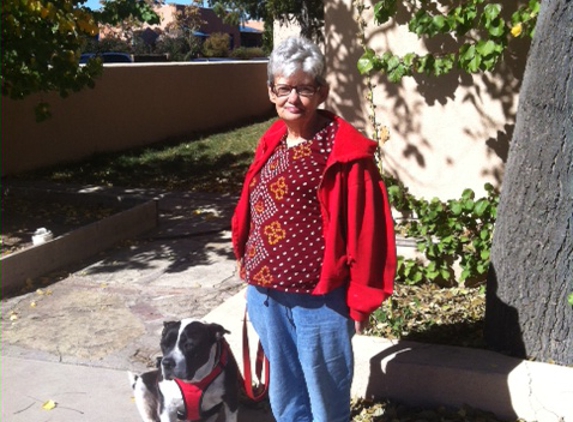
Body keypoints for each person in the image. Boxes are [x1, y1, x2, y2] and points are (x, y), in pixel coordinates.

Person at [231, 36, 396, 422]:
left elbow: (369, 231)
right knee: (285, 397)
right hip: (267, 295)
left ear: (321, 91)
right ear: (271, 91)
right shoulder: (272, 139)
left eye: (304, 88)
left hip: (319, 302)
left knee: (326, 402)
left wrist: (362, 298)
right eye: (283, 88)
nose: (293, 98)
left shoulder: (346, 153)